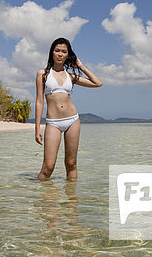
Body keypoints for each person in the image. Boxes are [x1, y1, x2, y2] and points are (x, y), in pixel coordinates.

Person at [35, 37, 102, 181]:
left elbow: (97, 83)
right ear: (52, 52)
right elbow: (39, 102)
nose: (60, 54)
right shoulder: (43, 74)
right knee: (48, 167)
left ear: (68, 55)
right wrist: (37, 128)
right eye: (57, 50)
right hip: (53, 123)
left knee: (71, 163)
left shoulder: (71, 76)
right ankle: (39, 197)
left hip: (72, 120)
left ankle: (71, 201)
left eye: (64, 51)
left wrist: (81, 66)